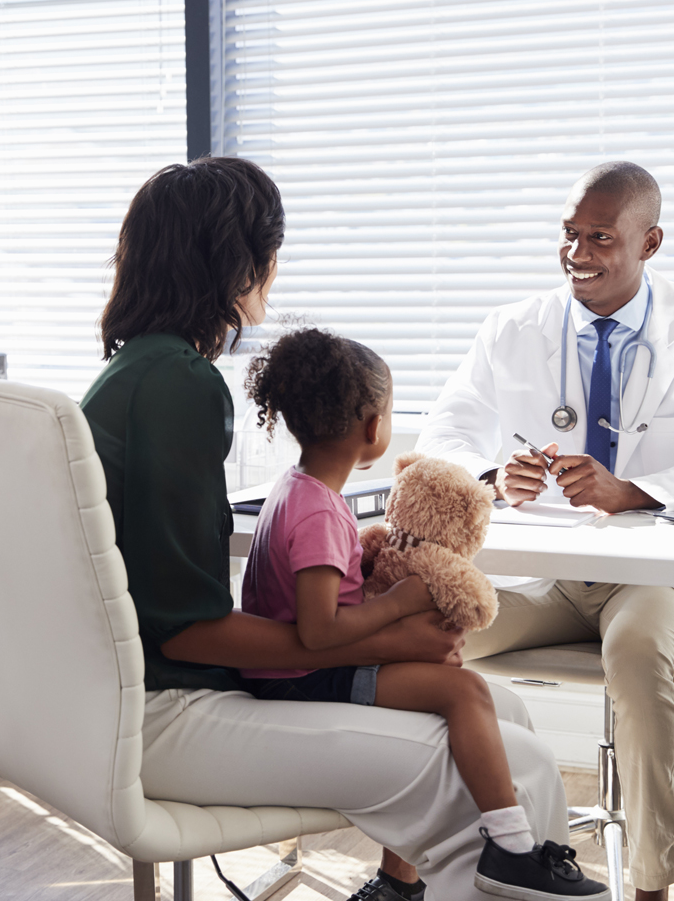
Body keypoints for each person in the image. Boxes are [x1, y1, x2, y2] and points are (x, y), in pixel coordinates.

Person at [80, 157, 570, 901]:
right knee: (520, 762)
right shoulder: (176, 386)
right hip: (168, 711)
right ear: (249, 265)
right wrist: (393, 634)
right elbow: (185, 633)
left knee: (505, 711)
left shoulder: (133, 375)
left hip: (129, 698)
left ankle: (403, 888)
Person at [416, 161, 674, 901]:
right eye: (568, 234)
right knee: (428, 635)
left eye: (600, 238)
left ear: (649, 242)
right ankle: (447, 858)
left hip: (657, 574)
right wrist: (494, 476)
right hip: (548, 572)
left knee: (635, 652)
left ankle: (650, 885)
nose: (577, 254)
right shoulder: (513, 328)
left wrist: (637, 490)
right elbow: (444, 431)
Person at [239, 327, 610, 901]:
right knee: (465, 694)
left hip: (301, 672)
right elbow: (317, 632)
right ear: (374, 427)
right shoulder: (319, 513)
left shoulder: (298, 491)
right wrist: (402, 602)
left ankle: (404, 880)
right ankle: (511, 849)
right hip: (301, 682)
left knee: (462, 690)